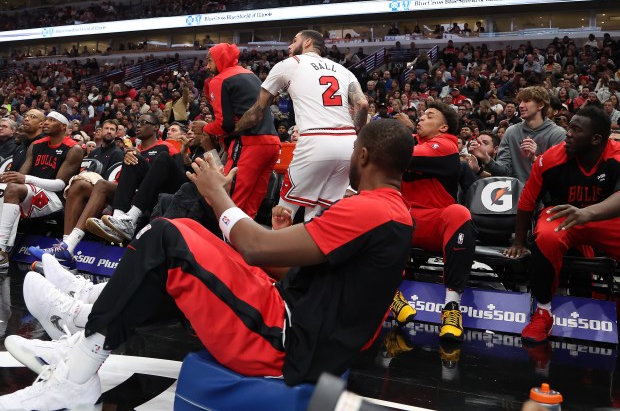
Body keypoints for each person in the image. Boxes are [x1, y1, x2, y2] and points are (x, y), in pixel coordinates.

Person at [0, 120, 415, 410]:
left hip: (287, 344)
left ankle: (77, 366)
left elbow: (255, 247)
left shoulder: (371, 210)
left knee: (168, 239)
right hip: (298, 327)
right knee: (177, 230)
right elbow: (299, 273)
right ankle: (84, 322)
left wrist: (218, 194)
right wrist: (276, 242)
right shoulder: (390, 211)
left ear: (361, 155)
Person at [504, 106, 620, 343]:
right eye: (569, 127)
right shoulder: (550, 159)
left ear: (596, 139)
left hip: (604, 218)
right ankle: (543, 312)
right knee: (546, 234)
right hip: (564, 217)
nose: (568, 133)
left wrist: (589, 213)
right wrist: (518, 241)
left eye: (576, 130)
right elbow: (527, 202)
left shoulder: (616, 155)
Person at [234, 30, 368, 222]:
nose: (289, 46)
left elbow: (256, 113)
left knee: (284, 212)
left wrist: (232, 130)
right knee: (322, 217)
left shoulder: (289, 64)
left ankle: (277, 251)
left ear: (307, 43)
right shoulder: (343, 70)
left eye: (294, 40)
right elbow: (362, 104)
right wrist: (355, 133)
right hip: (348, 144)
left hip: (316, 141)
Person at [28, 114, 177, 263]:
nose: (138, 125)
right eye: (137, 121)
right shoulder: (132, 151)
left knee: (148, 159)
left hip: (156, 195)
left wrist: (183, 156)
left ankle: (127, 220)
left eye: (144, 122)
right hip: (130, 196)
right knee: (86, 185)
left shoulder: (166, 147)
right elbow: (121, 183)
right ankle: (68, 245)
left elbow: (176, 173)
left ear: (156, 127)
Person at [398, 102, 477, 342]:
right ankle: (390, 296)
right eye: (421, 115)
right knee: (373, 213)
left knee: (459, 213)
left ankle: (452, 309)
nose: (421, 118)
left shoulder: (446, 145)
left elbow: (394, 150)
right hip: (404, 219)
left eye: (429, 116)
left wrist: (397, 135)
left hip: (435, 222)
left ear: (443, 127)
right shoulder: (410, 140)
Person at [191, 43, 281, 220]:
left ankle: (225, 245)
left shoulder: (220, 80)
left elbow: (224, 125)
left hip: (249, 143)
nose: (207, 66)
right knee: (252, 204)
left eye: (209, 61)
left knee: (230, 201)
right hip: (272, 142)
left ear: (219, 59)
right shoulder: (250, 74)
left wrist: (205, 128)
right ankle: (245, 245)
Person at [0, 112, 83, 266]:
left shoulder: (73, 148)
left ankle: (1, 250)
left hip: (56, 198)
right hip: (32, 191)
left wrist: (26, 180)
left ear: (63, 126)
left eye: (52, 120)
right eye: (46, 120)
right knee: (4, 189)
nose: (46, 123)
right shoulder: (36, 145)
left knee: (12, 191)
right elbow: (21, 176)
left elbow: (60, 184)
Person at [469, 87, 566, 183]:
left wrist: (535, 159)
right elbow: (504, 172)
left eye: (526, 101)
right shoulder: (511, 132)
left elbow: (558, 176)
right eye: (520, 102)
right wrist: (486, 159)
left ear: (540, 105)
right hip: (515, 194)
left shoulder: (558, 134)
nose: (521, 106)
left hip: (545, 196)